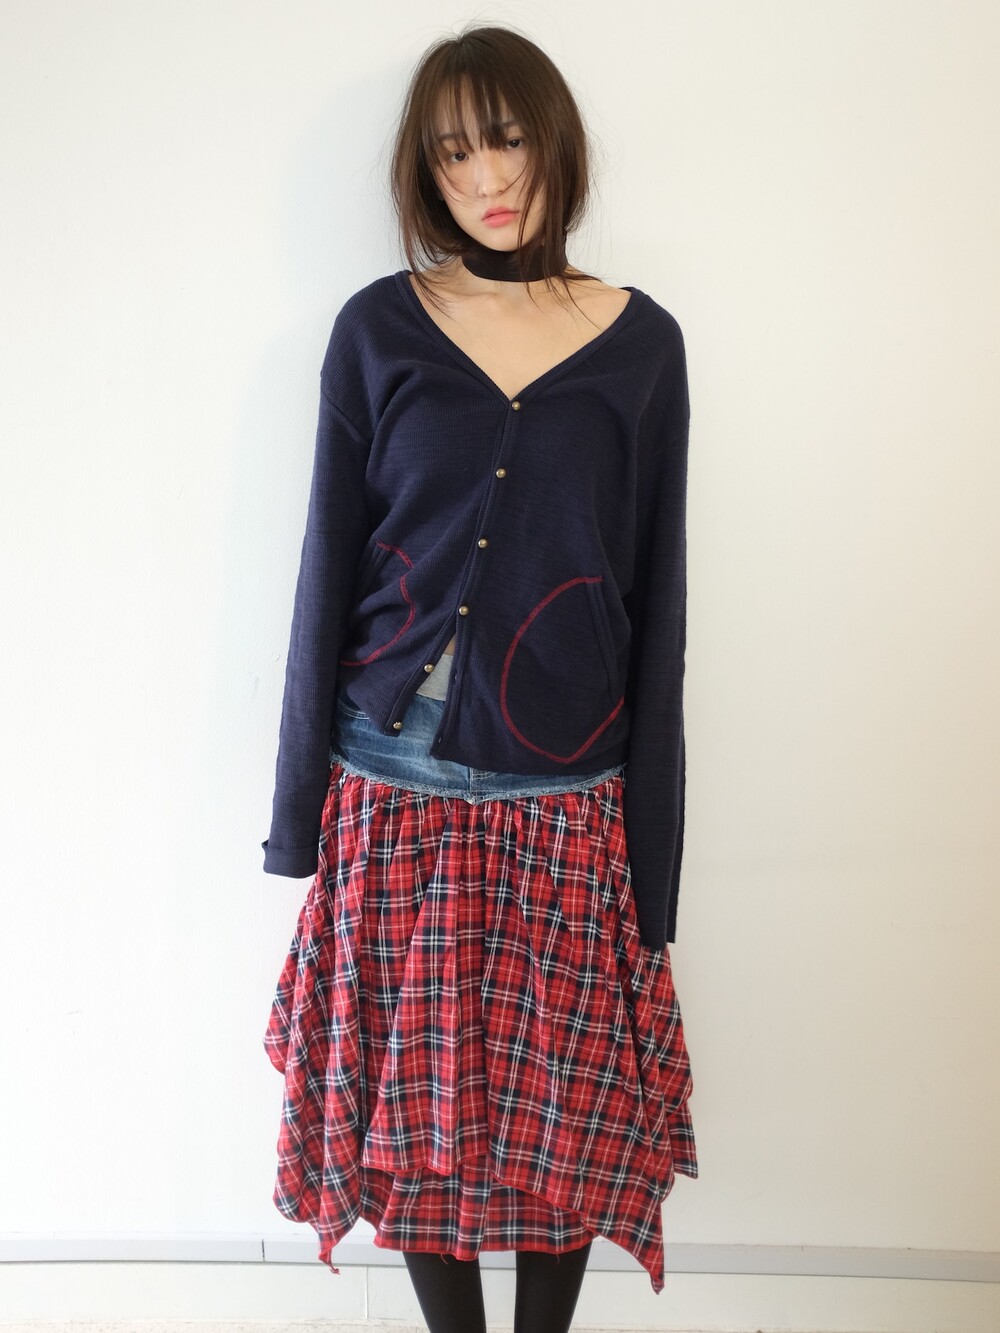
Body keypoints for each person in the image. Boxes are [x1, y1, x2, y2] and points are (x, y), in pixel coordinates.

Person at [260, 24, 697, 1333]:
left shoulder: (642, 348)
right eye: (453, 155)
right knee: (414, 1115)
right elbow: (325, 570)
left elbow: (659, 605)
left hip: (566, 795)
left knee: (566, 1113)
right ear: (425, 174)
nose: (488, 179)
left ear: (553, 137)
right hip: (390, 787)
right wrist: (295, 816)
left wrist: (654, 860)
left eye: (506, 140)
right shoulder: (378, 331)